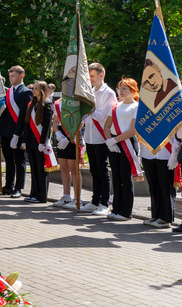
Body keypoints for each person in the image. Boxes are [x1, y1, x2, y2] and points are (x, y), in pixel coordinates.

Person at [80, 63, 116, 214]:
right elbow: (87, 117)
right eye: (89, 77)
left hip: (102, 137)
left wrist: (89, 109)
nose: (90, 80)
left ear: (101, 75)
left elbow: (104, 118)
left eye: (92, 76)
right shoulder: (90, 92)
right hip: (90, 136)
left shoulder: (109, 93)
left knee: (102, 171)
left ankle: (104, 203)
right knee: (93, 170)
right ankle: (95, 201)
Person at [103, 77, 139, 220]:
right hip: (113, 143)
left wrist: (114, 140)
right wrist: (109, 142)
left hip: (127, 143)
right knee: (116, 177)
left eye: (124, 88)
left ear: (132, 90)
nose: (121, 91)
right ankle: (116, 208)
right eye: (120, 88)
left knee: (125, 176)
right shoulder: (116, 106)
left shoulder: (136, 107)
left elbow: (132, 131)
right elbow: (107, 126)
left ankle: (126, 212)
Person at [0, 66, 31, 197]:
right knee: (8, 160)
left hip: (18, 133)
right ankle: (8, 185)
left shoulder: (26, 92)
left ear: (22, 76)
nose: (11, 78)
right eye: (10, 76)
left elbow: (22, 116)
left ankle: (18, 187)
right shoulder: (8, 91)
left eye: (13, 76)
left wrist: (17, 135)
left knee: (19, 160)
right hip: (5, 132)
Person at [22, 81, 53, 203]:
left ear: (42, 90)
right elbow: (27, 124)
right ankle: (33, 193)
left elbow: (46, 126)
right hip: (31, 141)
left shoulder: (47, 104)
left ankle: (41, 196)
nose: (33, 91)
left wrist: (43, 142)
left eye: (36, 89)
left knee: (41, 169)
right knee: (33, 168)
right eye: (33, 89)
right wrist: (24, 140)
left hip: (40, 141)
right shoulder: (31, 104)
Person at [141, 131, 177, 229]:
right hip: (148, 153)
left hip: (165, 153)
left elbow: (176, 135)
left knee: (165, 187)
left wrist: (174, 155)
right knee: (154, 186)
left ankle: (166, 218)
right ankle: (156, 215)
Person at [52, 95, 82, 208]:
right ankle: (66, 196)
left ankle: (77, 198)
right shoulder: (58, 103)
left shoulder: (76, 102)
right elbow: (55, 121)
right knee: (63, 167)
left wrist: (68, 138)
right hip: (61, 135)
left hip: (73, 135)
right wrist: (58, 134)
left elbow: (80, 123)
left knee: (74, 169)